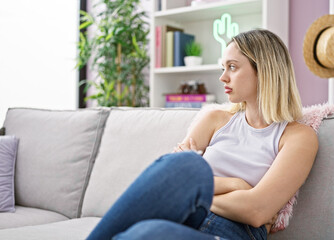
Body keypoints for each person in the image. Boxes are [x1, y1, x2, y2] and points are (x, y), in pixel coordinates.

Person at [86, 29, 318, 240]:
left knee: (147, 233)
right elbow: (174, 180)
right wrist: (236, 185)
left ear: (264, 70)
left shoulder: (298, 137)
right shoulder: (214, 119)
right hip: (184, 217)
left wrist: (194, 195)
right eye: (222, 68)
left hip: (232, 231)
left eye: (233, 67)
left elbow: (257, 211)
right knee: (187, 167)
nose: (223, 77)